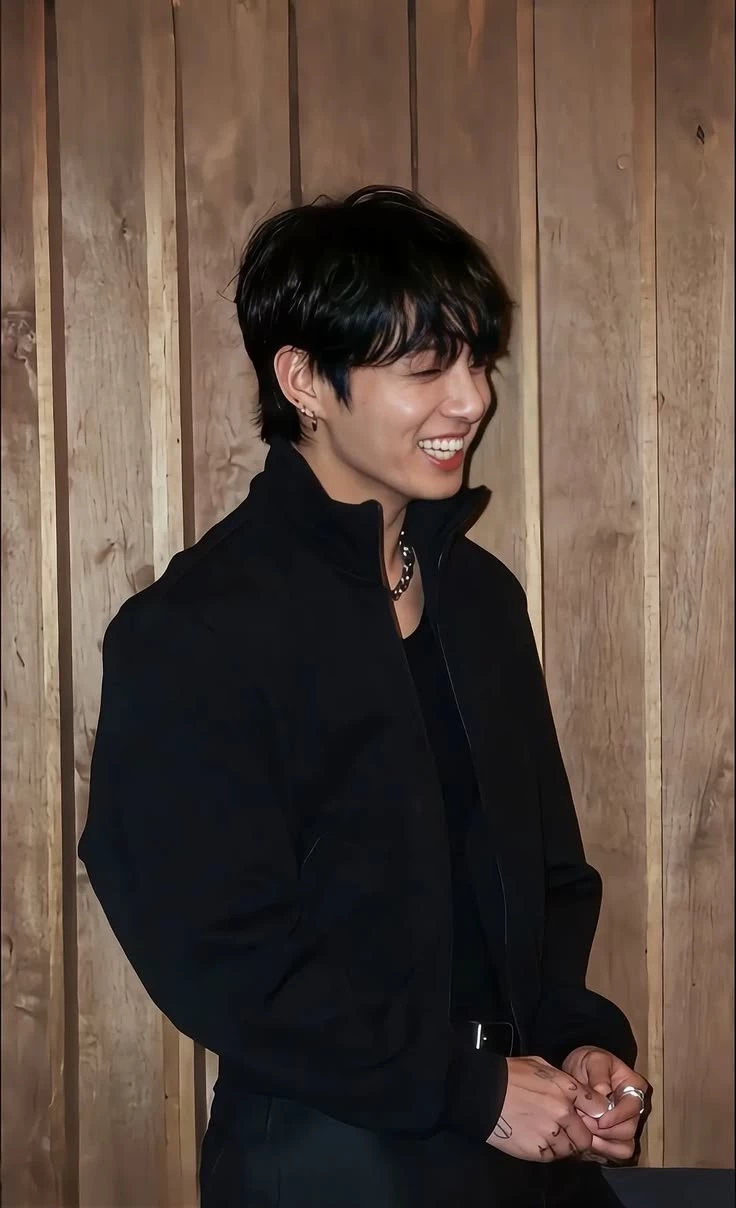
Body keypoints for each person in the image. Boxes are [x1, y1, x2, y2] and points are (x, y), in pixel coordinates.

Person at [79, 186, 650, 1207]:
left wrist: (576, 1042)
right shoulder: (195, 631)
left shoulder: (480, 598)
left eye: (478, 362)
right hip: (329, 1157)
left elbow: (546, 878)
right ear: (304, 378)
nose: (469, 400)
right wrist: (469, 1088)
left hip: (520, 1143)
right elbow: (221, 956)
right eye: (426, 367)